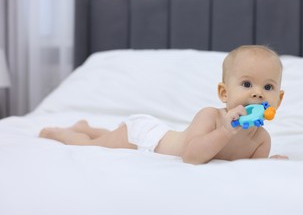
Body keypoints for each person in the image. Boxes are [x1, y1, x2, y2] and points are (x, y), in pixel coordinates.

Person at [39, 45, 287, 164]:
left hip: (150, 138)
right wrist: (226, 131)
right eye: (246, 84)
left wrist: (268, 162)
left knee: (111, 136)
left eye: (268, 87)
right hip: (145, 138)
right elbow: (191, 156)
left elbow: (250, 170)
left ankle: (88, 126)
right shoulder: (211, 117)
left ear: (279, 98)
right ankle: (64, 133)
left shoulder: (261, 139)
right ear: (224, 93)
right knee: (94, 146)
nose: (257, 94)